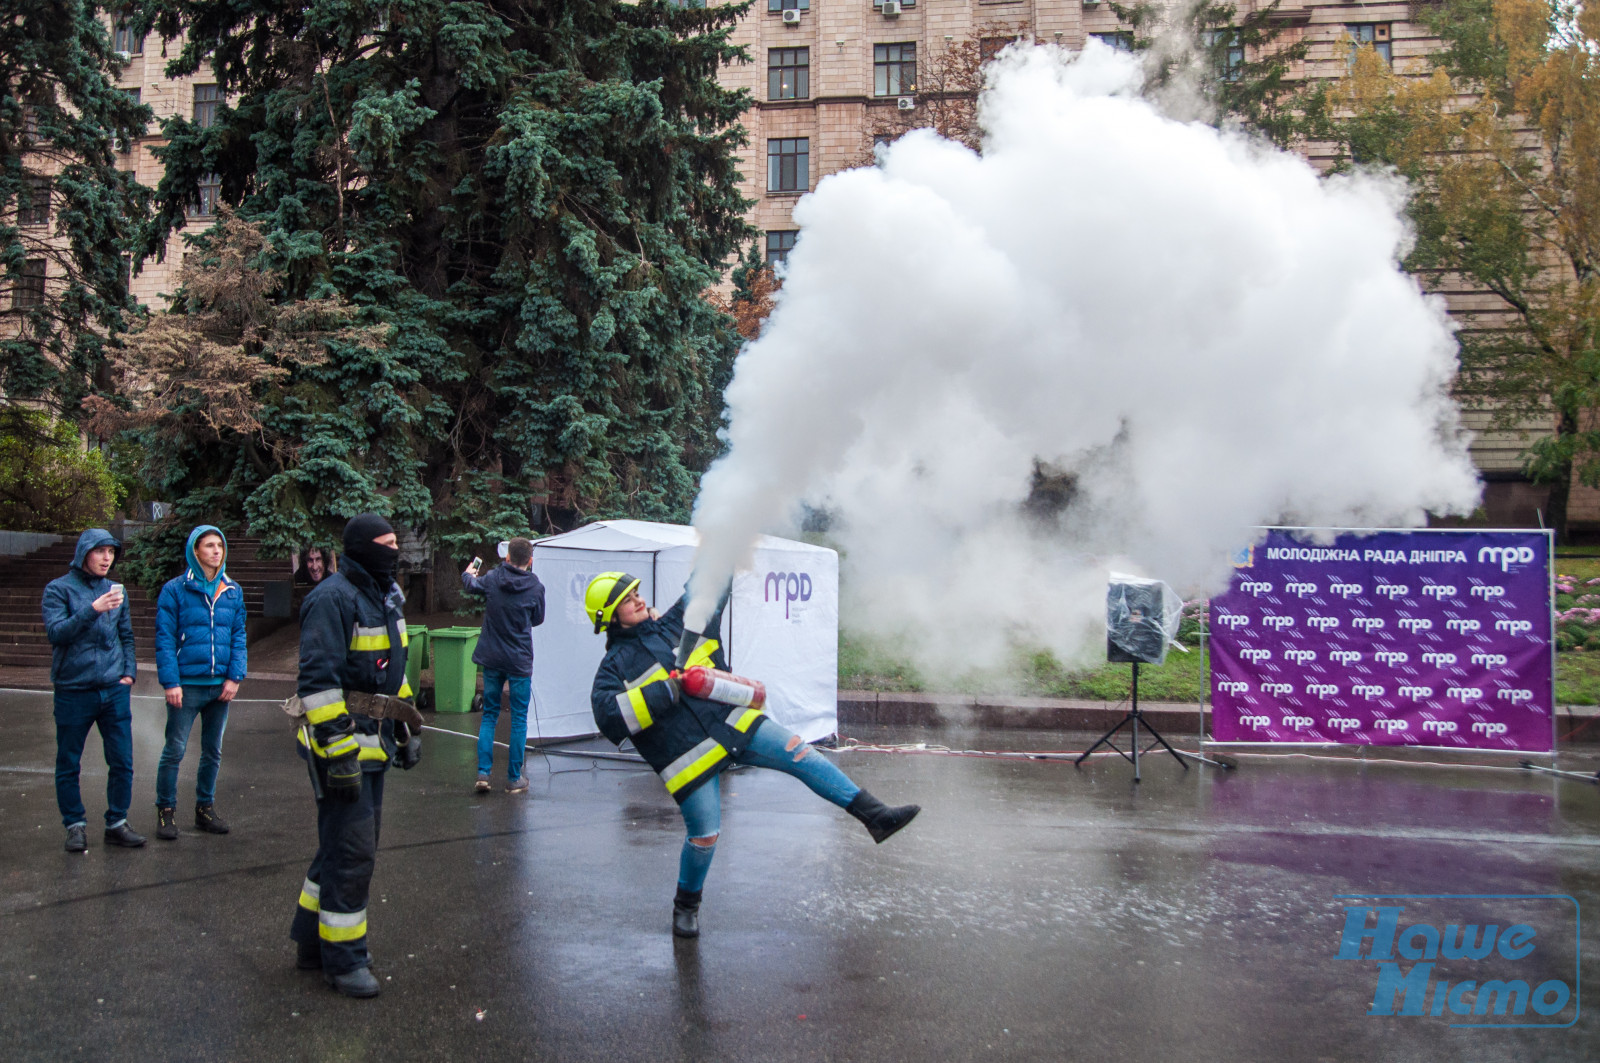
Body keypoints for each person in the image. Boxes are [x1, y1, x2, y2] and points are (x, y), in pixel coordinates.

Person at [586, 572, 920, 939]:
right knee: (705, 836)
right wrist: (667, 691)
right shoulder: (613, 669)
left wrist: (721, 546)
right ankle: (686, 906)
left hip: (735, 723)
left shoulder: (676, 624)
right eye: (625, 599)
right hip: (689, 757)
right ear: (609, 616)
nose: (636, 599)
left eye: (636, 592)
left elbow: (708, 586)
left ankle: (876, 816)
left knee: (801, 754)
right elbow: (609, 717)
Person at [289, 514, 422, 999]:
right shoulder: (332, 598)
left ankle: (310, 942)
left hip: (375, 744)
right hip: (339, 748)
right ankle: (344, 960)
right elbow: (318, 686)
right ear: (362, 548)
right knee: (353, 853)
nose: (394, 550)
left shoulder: (385, 597)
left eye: (396, 541)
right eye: (386, 543)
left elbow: (395, 672)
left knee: (338, 847)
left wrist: (406, 729)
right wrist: (340, 754)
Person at [42, 528, 143, 852]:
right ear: (84, 552)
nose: (107, 558)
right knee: (69, 762)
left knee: (122, 761)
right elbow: (57, 633)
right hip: (74, 690)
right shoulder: (58, 590)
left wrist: (129, 672)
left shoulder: (116, 590)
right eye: (100, 552)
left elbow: (125, 635)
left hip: (113, 689)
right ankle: (75, 825)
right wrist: (93, 609)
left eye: (111, 552)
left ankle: (116, 823)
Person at [152, 525, 248, 840]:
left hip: (220, 686)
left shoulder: (232, 590)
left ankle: (205, 808)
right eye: (209, 546)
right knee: (175, 749)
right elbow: (165, 640)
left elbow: (238, 636)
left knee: (213, 751)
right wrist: (171, 682)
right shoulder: (175, 589)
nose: (216, 551)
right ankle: (166, 812)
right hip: (186, 685)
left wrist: (235, 676)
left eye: (219, 545)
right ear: (196, 551)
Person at [461, 537, 546, 793]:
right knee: (519, 718)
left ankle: (483, 774)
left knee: (489, 715)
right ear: (530, 561)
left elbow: (471, 585)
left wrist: (467, 574)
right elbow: (538, 619)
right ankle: (513, 779)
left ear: (507, 557)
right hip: (519, 660)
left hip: (492, 658)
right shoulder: (535, 587)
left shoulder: (493, 578)